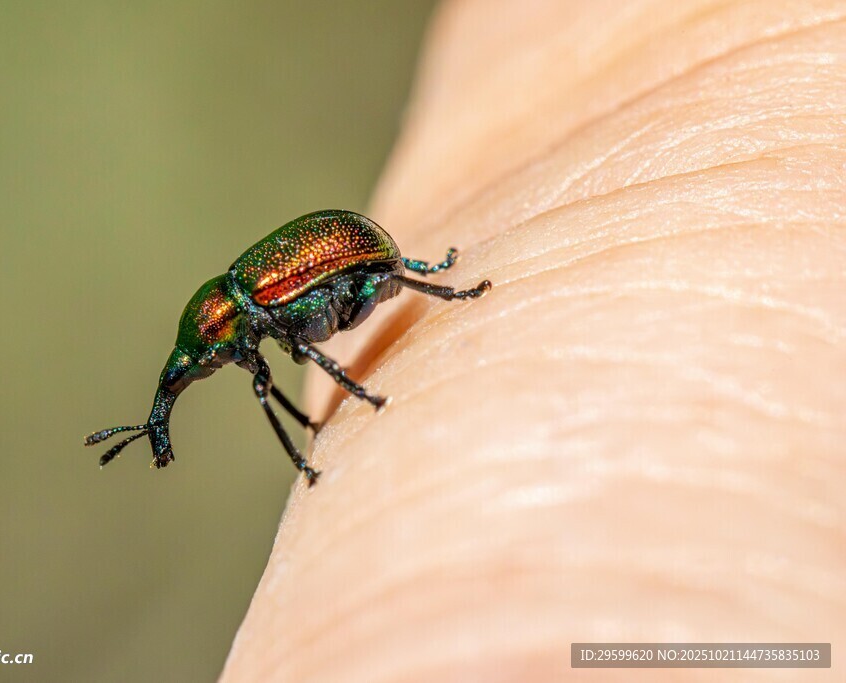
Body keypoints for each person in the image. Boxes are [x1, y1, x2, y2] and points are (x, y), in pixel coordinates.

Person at [222, 1, 846, 680]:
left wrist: (359, 385)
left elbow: (321, 331)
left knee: (352, 312)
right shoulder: (248, 328)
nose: (192, 370)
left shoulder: (258, 301)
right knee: (277, 384)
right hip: (341, 265)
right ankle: (423, 299)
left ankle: (444, 288)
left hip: (361, 257)